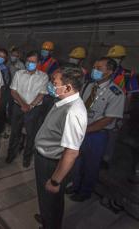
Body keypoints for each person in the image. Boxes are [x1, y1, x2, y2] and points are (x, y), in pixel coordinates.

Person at [34, 66, 87, 229]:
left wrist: (55, 181)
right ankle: (46, 218)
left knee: (52, 199)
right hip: (45, 157)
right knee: (45, 198)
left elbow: (71, 153)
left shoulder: (73, 111)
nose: (51, 85)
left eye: (54, 83)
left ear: (68, 87)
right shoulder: (63, 101)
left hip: (52, 163)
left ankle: (51, 224)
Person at [67, 57, 125, 202]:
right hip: (80, 130)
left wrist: (86, 129)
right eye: (94, 67)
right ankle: (75, 185)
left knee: (91, 164)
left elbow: (108, 119)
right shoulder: (88, 86)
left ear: (110, 71)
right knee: (76, 160)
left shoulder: (116, 93)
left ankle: (85, 191)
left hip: (97, 135)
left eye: (99, 68)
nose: (95, 71)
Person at [6, 51, 48, 167]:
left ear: (38, 63)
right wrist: (23, 104)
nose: (30, 63)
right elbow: (13, 91)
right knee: (15, 132)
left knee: (31, 135)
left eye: (33, 62)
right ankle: (11, 154)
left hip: (33, 110)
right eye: (28, 61)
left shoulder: (43, 77)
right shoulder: (19, 74)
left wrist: (31, 105)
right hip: (18, 107)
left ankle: (27, 158)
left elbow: (41, 94)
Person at [0, 49, 12, 129]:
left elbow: (5, 84)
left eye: (3, 57)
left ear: (5, 59)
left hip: (0, 94)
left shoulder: (5, 69)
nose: (0, 58)